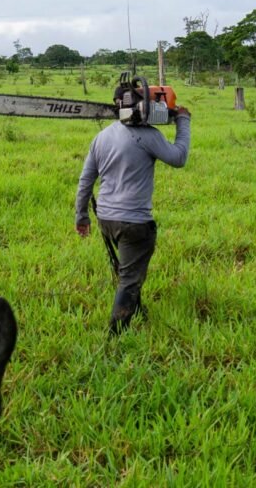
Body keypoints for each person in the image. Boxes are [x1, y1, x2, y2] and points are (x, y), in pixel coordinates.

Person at [75, 82, 191, 335]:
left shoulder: (102, 136)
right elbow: (179, 158)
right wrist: (183, 122)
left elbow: (86, 180)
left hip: (106, 219)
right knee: (129, 278)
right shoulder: (148, 135)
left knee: (128, 269)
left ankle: (137, 311)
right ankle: (116, 335)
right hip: (134, 223)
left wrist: (81, 215)